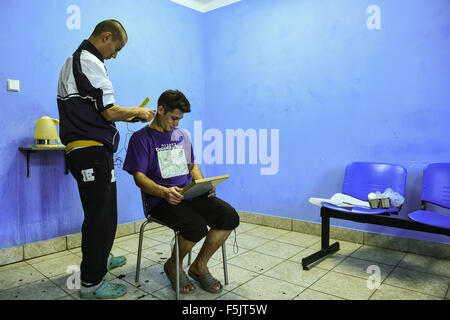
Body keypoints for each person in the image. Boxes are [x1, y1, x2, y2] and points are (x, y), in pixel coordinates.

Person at [57, 19, 154, 299]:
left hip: (84, 149)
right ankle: (91, 283)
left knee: (98, 212)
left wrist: (129, 114)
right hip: (91, 151)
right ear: (106, 37)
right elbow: (108, 111)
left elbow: (93, 107)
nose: (115, 54)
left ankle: (101, 257)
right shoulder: (89, 60)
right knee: (102, 217)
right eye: (116, 48)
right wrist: (137, 111)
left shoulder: (72, 61)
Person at [123, 89, 240, 294]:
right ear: (160, 110)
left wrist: (204, 184)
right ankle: (173, 266)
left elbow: (192, 165)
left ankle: (198, 266)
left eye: (180, 119)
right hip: (161, 200)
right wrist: (163, 192)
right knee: (195, 226)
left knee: (229, 216)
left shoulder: (182, 135)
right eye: (173, 118)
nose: (176, 123)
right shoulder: (141, 139)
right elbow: (139, 178)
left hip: (189, 193)